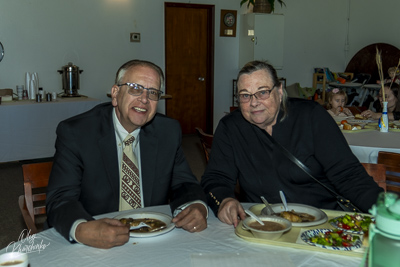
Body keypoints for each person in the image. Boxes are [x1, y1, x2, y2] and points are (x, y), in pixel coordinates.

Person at [46, 59, 208, 249]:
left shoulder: (168, 131)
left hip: (152, 236)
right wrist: (84, 229)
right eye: (135, 88)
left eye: (153, 93)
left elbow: (184, 183)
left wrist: (196, 205)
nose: (144, 99)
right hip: (95, 239)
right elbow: (60, 198)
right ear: (115, 94)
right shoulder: (77, 133)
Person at [201, 60, 383, 227]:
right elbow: (216, 177)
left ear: (280, 92)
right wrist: (225, 199)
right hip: (264, 225)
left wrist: (387, 213)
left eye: (262, 92)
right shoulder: (231, 127)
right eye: (245, 95)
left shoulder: (311, 116)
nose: (254, 102)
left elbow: (348, 175)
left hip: (321, 222)